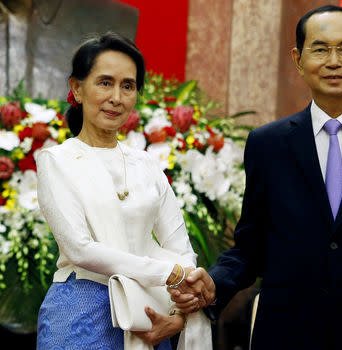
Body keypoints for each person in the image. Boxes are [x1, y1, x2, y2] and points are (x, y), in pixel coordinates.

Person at [169, 5, 342, 350]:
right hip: (286, 335)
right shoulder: (268, 145)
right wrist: (212, 285)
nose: (334, 61)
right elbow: (251, 249)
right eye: (320, 48)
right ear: (298, 59)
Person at [35, 32, 211, 350]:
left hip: (149, 314)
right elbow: (80, 249)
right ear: (77, 88)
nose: (117, 97)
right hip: (83, 311)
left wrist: (180, 307)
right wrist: (169, 274)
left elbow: (180, 247)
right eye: (105, 82)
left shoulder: (146, 163)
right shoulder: (57, 160)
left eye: (127, 86)